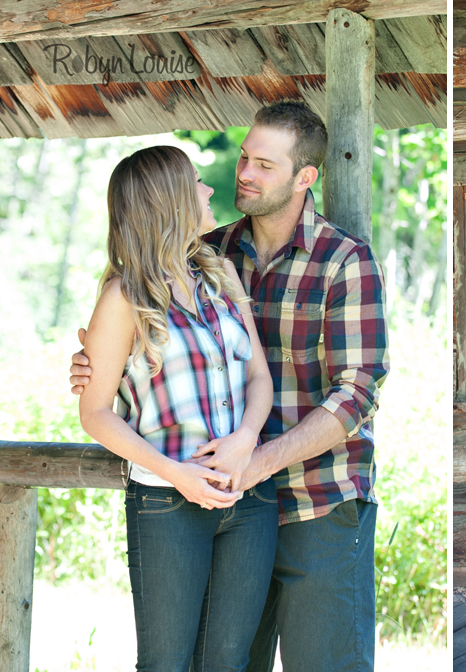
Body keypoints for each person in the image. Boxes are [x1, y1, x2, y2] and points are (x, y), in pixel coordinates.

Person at [72, 101, 389, 672]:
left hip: (318, 496)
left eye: (264, 165)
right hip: (221, 500)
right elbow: (141, 342)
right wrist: (98, 362)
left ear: (303, 177)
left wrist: (255, 456)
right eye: (243, 158)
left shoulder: (346, 261)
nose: (242, 173)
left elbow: (357, 392)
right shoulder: (211, 254)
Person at [78, 145, 276, 671]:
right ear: (167, 202)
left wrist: (246, 438)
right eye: (196, 182)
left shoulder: (221, 277)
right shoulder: (125, 297)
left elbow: (258, 374)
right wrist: (178, 474)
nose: (210, 189)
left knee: (228, 663)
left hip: (248, 496)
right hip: (166, 504)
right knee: (165, 664)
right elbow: (95, 412)